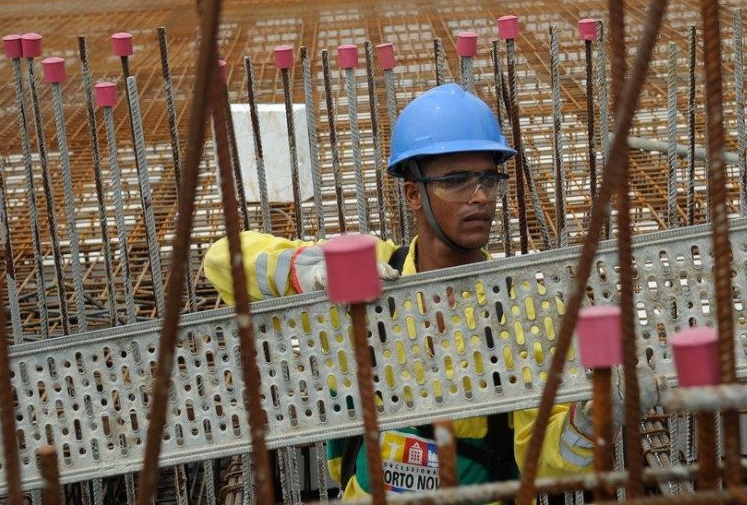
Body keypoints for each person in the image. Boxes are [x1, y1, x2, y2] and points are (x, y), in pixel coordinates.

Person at [203, 84, 654, 501]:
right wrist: (309, 274)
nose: (479, 196)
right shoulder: (370, 274)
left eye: (488, 179)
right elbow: (222, 261)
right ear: (413, 194)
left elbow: (547, 466)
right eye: (456, 180)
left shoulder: (526, 305)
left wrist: (592, 420)